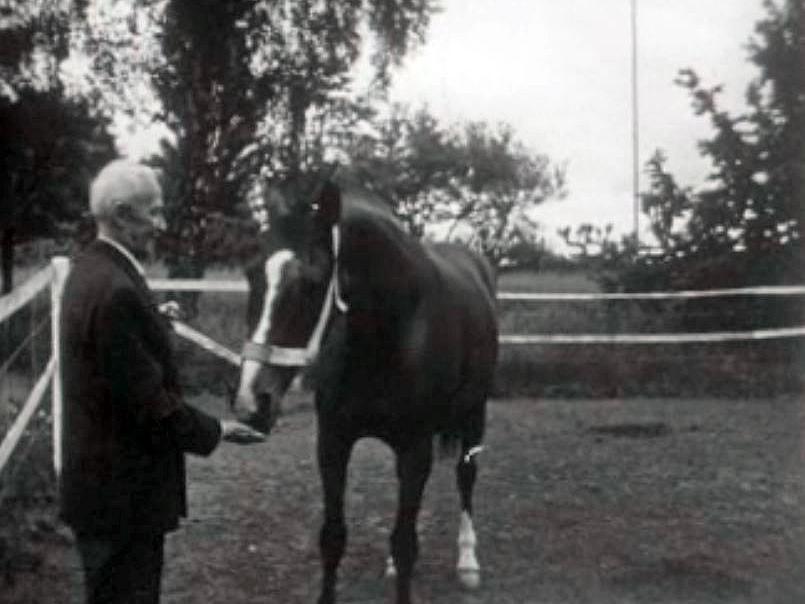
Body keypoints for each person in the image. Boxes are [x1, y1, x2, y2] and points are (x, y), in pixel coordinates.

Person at [59, 158, 265, 604]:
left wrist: (152, 317)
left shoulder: (91, 271)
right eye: (152, 211)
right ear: (121, 213)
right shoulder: (115, 291)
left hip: (101, 493)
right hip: (122, 500)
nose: (160, 223)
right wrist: (216, 430)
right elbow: (151, 403)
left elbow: (113, 357)